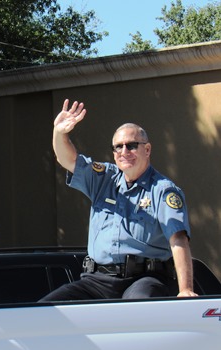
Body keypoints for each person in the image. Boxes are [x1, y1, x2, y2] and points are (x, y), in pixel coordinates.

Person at [40, 99, 198, 302]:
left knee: (134, 308)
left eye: (131, 146)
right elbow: (68, 159)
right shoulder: (103, 179)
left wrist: (185, 289)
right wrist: (59, 132)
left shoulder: (163, 190)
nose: (124, 152)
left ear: (147, 150)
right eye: (118, 147)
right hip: (97, 280)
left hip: (143, 278)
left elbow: (178, 240)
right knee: (47, 309)